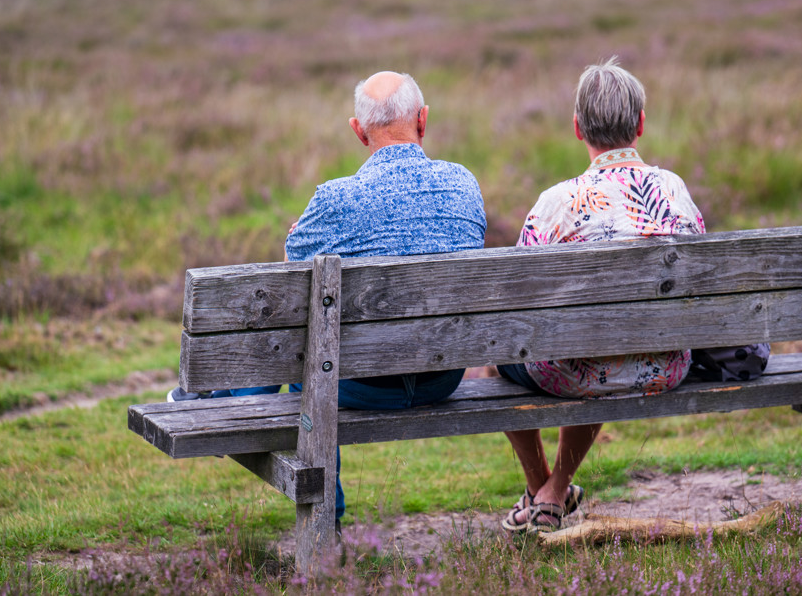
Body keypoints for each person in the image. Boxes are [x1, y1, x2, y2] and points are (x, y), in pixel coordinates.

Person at [169, 71, 487, 526]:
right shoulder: (464, 186)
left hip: (359, 387)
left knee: (313, 369)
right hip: (443, 377)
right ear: (423, 120)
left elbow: (288, 281)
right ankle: (226, 399)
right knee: (319, 360)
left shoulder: (336, 199)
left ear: (359, 132)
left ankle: (325, 515)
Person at [498, 57, 705, 534]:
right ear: (640, 124)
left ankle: (540, 489)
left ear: (576, 128)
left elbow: (512, 299)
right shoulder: (673, 190)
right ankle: (556, 490)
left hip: (571, 373)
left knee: (507, 357)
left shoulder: (557, 203)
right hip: (665, 365)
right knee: (595, 346)